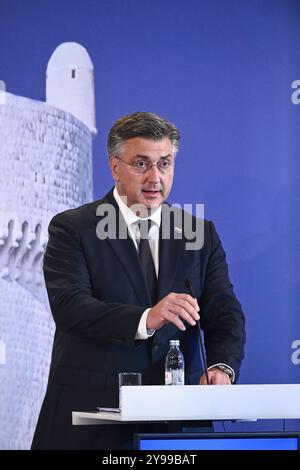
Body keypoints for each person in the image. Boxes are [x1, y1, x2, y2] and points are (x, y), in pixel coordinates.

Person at [31, 112, 245, 450]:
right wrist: (147, 318)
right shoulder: (73, 228)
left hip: (176, 425)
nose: (155, 177)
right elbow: (70, 307)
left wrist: (221, 366)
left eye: (164, 163)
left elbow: (225, 311)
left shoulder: (198, 234)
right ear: (115, 167)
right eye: (141, 163)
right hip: (92, 422)